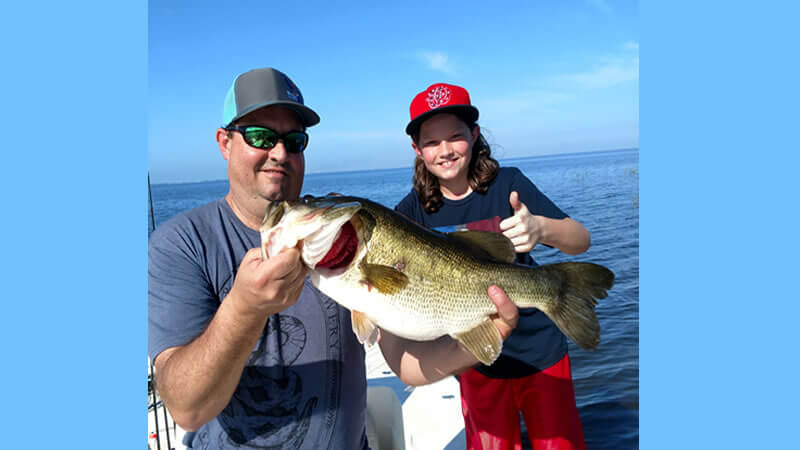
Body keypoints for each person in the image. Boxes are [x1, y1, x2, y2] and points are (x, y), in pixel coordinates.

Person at [148, 68, 520, 449]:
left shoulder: (340, 238)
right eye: (261, 137)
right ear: (225, 143)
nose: (280, 153)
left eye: (295, 141)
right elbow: (186, 408)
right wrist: (244, 308)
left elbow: (407, 364)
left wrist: (482, 338)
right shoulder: (181, 244)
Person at [394, 83, 592, 450]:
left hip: (541, 353)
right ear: (417, 150)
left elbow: (580, 240)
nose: (445, 150)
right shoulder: (411, 213)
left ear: (474, 134)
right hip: (474, 360)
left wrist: (542, 228)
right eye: (432, 143)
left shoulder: (509, 184)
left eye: (455, 137)